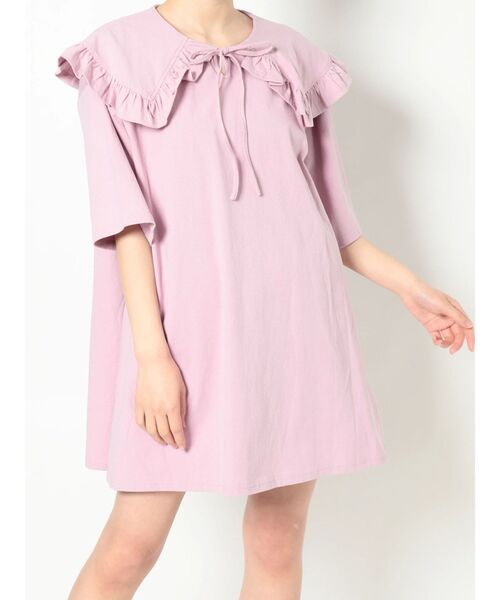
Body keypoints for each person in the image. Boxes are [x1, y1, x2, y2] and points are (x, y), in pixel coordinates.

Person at [55, 1, 474, 598]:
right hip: (179, 337)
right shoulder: (113, 55)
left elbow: (334, 222)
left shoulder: (293, 56)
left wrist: (412, 287)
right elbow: (124, 223)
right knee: (131, 548)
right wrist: (152, 357)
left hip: (295, 329)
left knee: (277, 542)